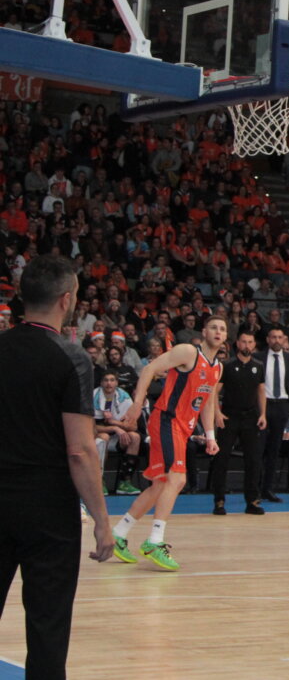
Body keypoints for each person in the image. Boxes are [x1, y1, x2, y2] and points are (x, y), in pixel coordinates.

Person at [0, 255, 113, 679]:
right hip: (47, 510)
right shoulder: (70, 358)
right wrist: (101, 520)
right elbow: (80, 451)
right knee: (47, 625)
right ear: (67, 300)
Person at [111, 315, 226, 572]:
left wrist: (210, 437)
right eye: (213, 327)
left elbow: (206, 402)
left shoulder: (218, 368)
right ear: (204, 332)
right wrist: (138, 403)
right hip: (166, 419)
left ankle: (118, 534)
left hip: (183, 428)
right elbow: (149, 369)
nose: (218, 332)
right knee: (178, 479)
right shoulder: (187, 352)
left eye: (222, 329)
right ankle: (154, 541)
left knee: (160, 484)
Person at [209, 328, 267, 515]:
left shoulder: (258, 365)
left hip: (250, 416)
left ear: (254, 345)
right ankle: (219, 500)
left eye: (250, 342)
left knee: (253, 460)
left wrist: (263, 414)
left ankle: (252, 501)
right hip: (229, 416)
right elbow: (214, 392)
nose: (247, 345)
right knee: (222, 459)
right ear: (237, 344)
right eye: (243, 342)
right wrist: (217, 413)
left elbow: (261, 391)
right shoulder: (226, 365)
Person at [256, 325, 289, 502]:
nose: (276, 340)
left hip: (281, 405)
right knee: (258, 450)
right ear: (267, 339)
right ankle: (255, 489)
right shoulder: (258, 357)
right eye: (273, 337)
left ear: (284, 340)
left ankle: (268, 489)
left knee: (274, 451)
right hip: (262, 405)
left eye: (279, 337)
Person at [92, 371, 143, 495]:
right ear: (101, 383)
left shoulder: (124, 397)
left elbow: (133, 426)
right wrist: (114, 428)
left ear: (117, 383)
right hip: (97, 436)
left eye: (112, 380)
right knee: (103, 438)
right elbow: (90, 427)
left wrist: (115, 423)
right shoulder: (93, 396)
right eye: (106, 380)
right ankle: (99, 481)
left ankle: (125, 482)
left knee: (135, 437)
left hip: (118, 436)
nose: (109, 383)